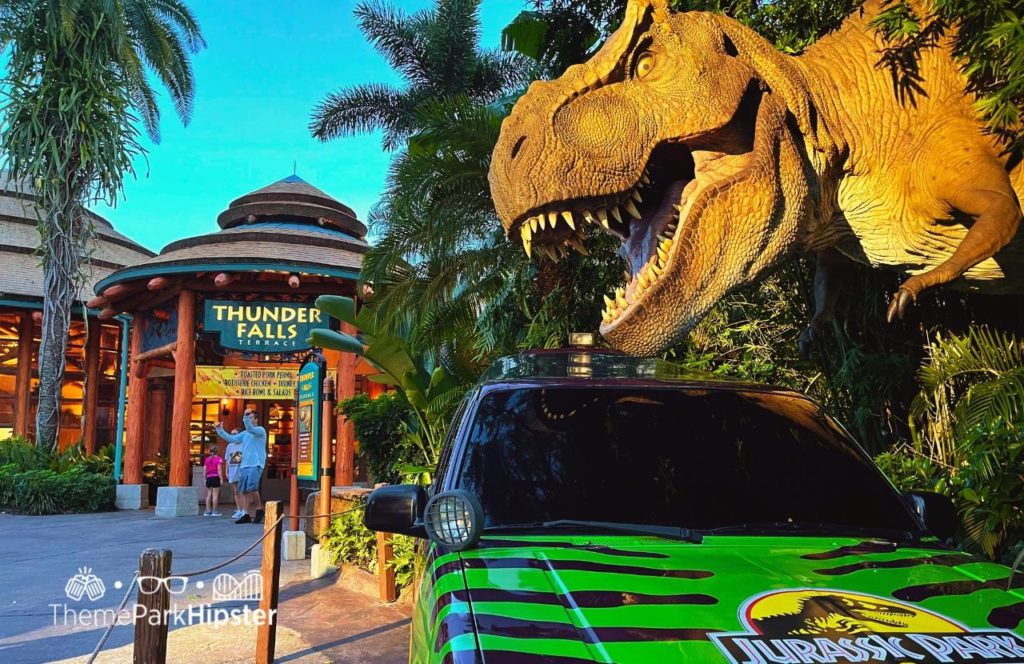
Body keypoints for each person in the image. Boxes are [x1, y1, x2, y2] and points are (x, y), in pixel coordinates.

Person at [216, 408, 267, 524]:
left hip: (256, 463)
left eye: (251, 417)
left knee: (252, 488)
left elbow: (249, 428)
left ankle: (259, 509)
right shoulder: (244, 434)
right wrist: (219, 429)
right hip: (244, 465)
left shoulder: (260, 430)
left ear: (256, 419)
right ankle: (246, 513)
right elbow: (231, 439)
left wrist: (245, 415)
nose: (249, 420)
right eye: (248, 417)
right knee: (242, 490)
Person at [224, 428, 244, 519]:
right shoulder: (229, 446)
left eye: (235, 434)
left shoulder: (244, 444)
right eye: (231, 434)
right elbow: (227, 460)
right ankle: (239, 509)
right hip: (232, 470)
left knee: (242, 491)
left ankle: (244, 509)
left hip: (241, 470)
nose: (233, 436)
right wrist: (226, 471)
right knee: (236, 491)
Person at [202, 444, 226, 516]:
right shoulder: (219, 459)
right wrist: (221, 479)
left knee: (208, 494)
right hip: (215, 477)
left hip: (208, 478)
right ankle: (215, 511)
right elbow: (219, 470)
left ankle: (208, 511)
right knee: (215, 495)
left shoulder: (207, 459)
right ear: (217, 451)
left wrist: (204, 479)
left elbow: (204, 470)